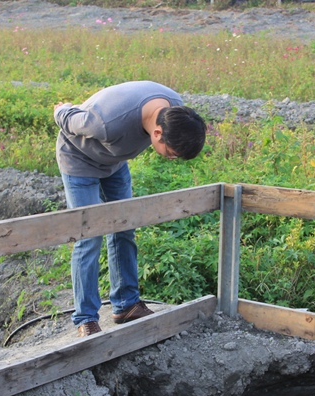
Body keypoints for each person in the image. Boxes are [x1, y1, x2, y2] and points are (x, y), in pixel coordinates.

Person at [54, 81, 207, 337]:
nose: (172, 158)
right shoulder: (106, 122)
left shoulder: (176, 112)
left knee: (125, 227)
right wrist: (62, 109)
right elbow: (67, 119)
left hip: (115, 162)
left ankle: (126, 305)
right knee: (88, 237)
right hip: (78, 159)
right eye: (171, 153)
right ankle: (86, 318)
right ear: (157, 133)